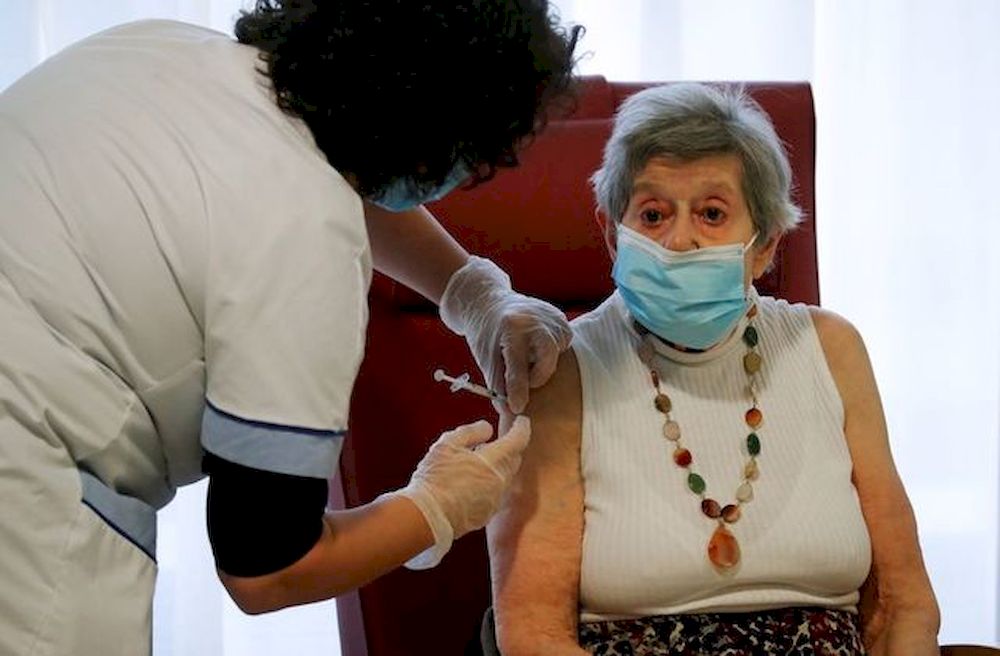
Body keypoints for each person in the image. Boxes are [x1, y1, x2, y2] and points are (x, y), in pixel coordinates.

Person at [0, 2, 581, 654]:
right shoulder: (306, 245)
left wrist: (472, 292)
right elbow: (266, 568)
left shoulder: (157, 48)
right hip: (25, 511)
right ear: (435, 131)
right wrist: (434, 509)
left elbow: (311, 171)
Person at [486, 83, 940, 655]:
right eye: (653, 214)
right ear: (612, 234)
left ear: (765, 245)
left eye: (712, 213)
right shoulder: (561, 370)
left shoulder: (832, 349)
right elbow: (534, 634)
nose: (679, 239)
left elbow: (903, 604)